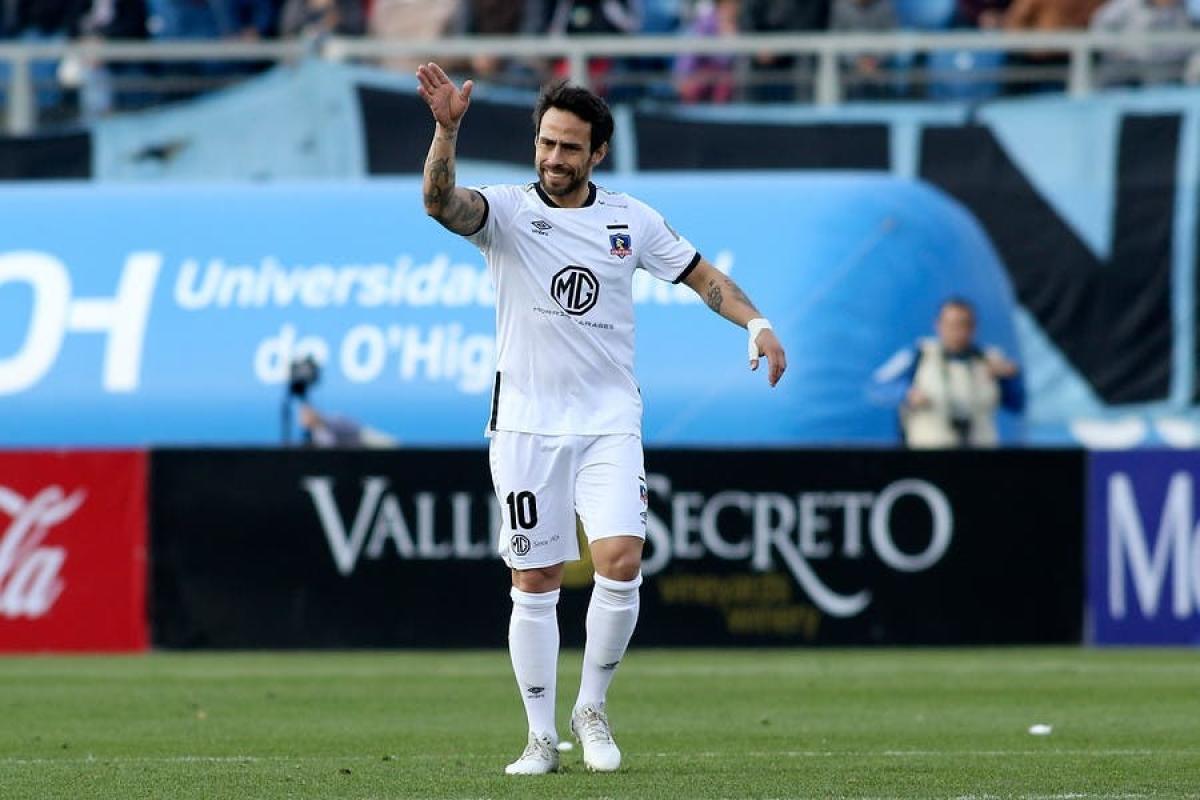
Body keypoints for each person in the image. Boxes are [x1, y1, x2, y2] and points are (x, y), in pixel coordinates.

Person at [416, 62, 786, 775]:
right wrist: (446, 132)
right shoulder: (506, 212)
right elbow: (440, 204)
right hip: (525, 424)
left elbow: (704, 276)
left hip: (608, 420)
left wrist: (757, 323)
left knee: (620, 560)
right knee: (536, 580)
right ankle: (538, 737)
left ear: (598, 153)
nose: (554, 158)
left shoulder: (631, 220)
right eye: (546, 143)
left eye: (570, 147)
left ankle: (591, 707)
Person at [873, 297, 1023, 448]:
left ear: (973, 327)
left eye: (964, 324)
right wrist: (906, 393)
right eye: (951, 324)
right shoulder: (920, 353)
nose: (958, 331)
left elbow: (1017, 405)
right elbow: (877, 386)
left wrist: (1011, 378)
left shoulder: (992, 359)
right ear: (938, 325)